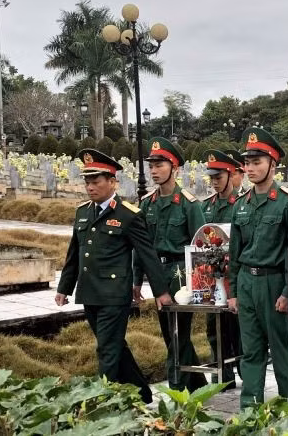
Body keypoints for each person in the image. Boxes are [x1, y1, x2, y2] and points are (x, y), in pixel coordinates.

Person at [57, 149, 172, 404]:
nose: (90, 187)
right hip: (89, 292)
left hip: (114, 295)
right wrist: (64, 288)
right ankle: (142, 392)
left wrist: (161, 291)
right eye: (87, 182)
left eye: (96, 181)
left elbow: (147, 255)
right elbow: (74, 254)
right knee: (114, 345)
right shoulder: (83, 212)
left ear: (112, 182)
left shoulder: (128, 214)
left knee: (106, 349)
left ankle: (103, 402)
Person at [227, 128, 288, 408]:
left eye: (258, 162)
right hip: (247, 282)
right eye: (247, 162)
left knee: (282, 350)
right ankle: (250, 410)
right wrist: (233, 291)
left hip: (274, 283)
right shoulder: (241, 205)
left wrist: (287, 291)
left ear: (273, 164)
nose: (250, 168)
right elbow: (234, 253)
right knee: (251, 350)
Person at [132, 138, 207, 392]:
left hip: (181, 274)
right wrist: (136, 280)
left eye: (159, 165)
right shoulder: (147, 204)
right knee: (171, 334)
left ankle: (176, 390)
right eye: (151, 165)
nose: (153, 170)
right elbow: (141, 248)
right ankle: (197, 383)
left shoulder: (189, 204)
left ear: (175, 168)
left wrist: (203, 286)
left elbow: (201, 246)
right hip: (157, 275)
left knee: (178, 334)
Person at [201, 149, 244, 387]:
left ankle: (246, 373)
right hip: (212, 277)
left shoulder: (242, 204)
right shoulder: (206, 206)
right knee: (214, 328)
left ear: (230, 175)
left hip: (234, 276)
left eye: (219, 177)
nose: (215, 182)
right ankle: (222, 376)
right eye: (212, 178)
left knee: (239, 330)